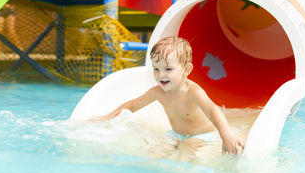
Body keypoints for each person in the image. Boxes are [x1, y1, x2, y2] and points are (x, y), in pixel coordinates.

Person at [91, 36, 244, 158]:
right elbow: (132, 106)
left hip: (202, 135)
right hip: (175, 134)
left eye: (168, 69)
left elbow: (212, 110)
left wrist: (226, 135)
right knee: (154, 154)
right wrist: (108, 117)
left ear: (186, 69)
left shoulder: (193, 91)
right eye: (156, 69)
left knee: (185, 154)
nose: (161, 75)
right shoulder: (158, 92)